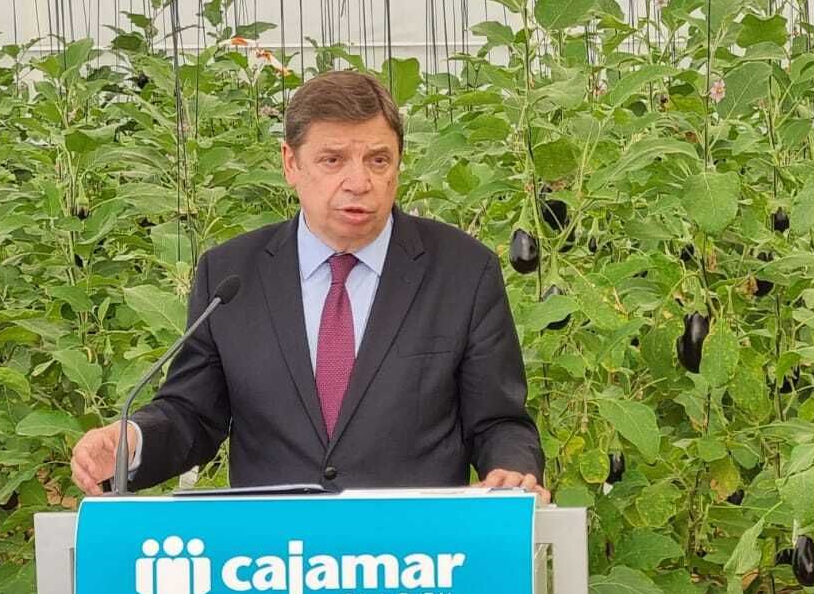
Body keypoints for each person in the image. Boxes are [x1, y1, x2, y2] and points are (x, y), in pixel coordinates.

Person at [68, 69, 548, 501]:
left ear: (399, 164)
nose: (359, 181)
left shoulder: (462, 272)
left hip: (414, 569)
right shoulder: (232, 275)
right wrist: (131, 441)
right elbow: (192, 414)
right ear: (290, 163)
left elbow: (498, 420)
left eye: (378, 160)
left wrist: (512, 471)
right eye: (333, 160)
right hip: (275, 566)